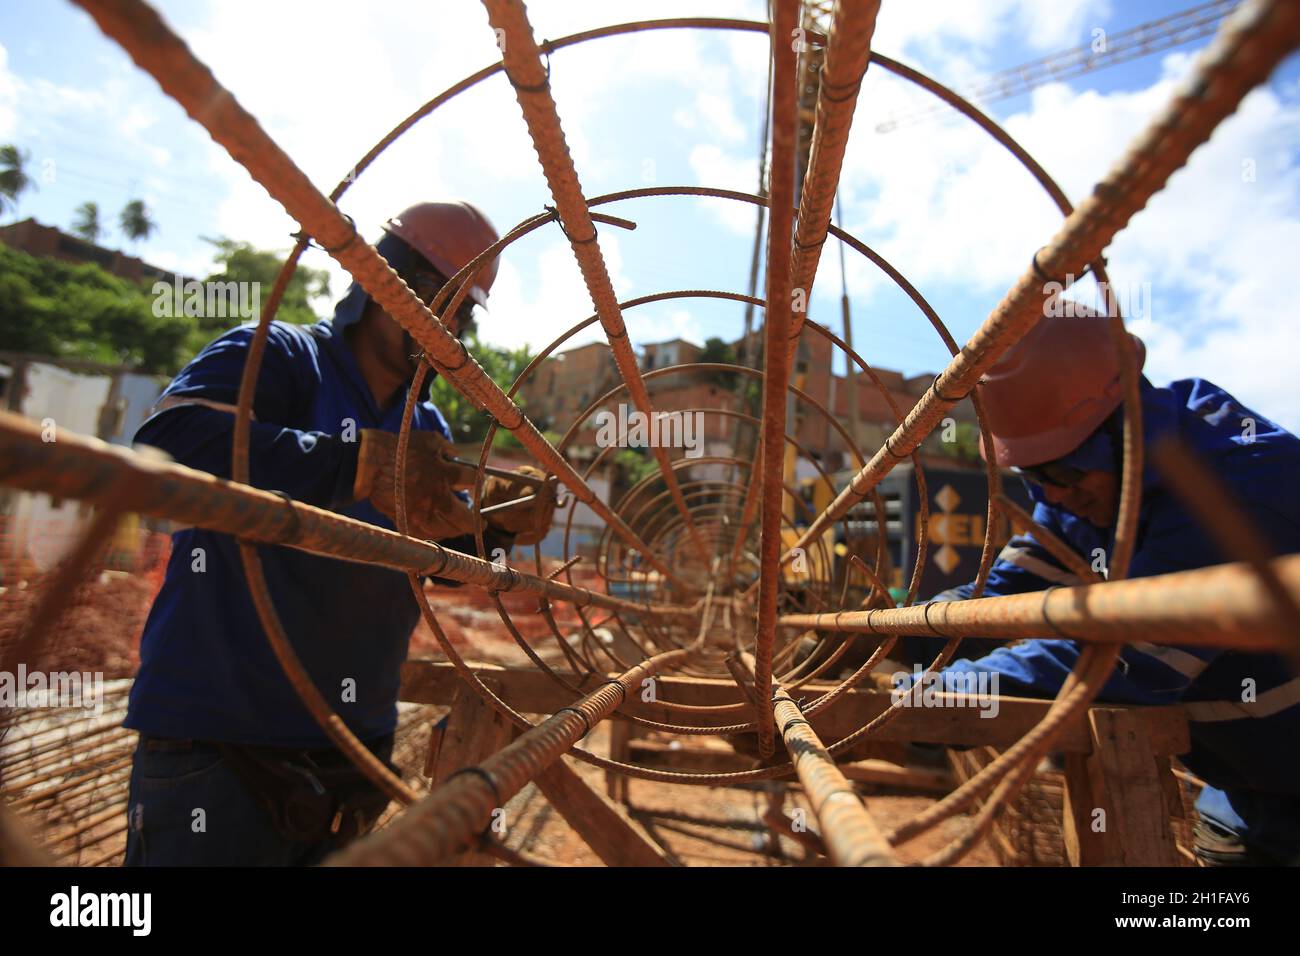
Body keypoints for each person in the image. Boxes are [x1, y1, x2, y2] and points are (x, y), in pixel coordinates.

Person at [121, 201, 556, 865]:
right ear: (386, 283)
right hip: (223, 750)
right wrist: (350, 465)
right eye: (441, 302)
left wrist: (493, 527)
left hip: (352, 755)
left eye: (463, 312)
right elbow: (168, 448)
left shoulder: (427, 429)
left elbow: (435, 560)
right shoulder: (282, 356)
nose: (451, 327)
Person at [916, 305, 1300, 866]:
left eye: (1063, 473)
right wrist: (882, 640)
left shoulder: (1242, 487)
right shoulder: (1090, 484)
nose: (1052, 497)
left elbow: (1121, 659)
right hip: (1244, 789)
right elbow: (1001, 601)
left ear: (1126, 425)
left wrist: (925, 703)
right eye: (1033, 477)